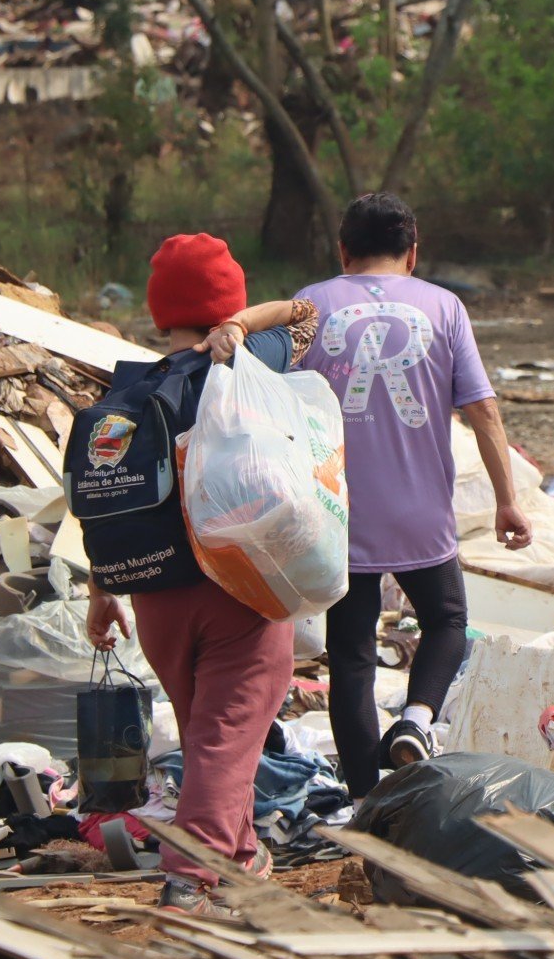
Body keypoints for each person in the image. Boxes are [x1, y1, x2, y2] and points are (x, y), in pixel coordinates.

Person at [216, 193, 529, 798]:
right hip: (420, 512)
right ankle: (416, 719)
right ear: (413, 253)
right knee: (447, 622)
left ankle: (364, 802)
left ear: (342, 251)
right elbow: (483, 410)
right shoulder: (444, 306)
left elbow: (266, 401)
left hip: (336, 515)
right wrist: (506, 500)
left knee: (352, 658)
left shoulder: (311, 303)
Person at [83, 233, 317, 915]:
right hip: (239, 588)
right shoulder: (244, 360)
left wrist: (103, 595)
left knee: (215, 739)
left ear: (160, 311)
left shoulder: (130, 392)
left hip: (155, 598)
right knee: (224, 738)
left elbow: (107, 500)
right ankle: (188, 876)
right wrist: (244, 325)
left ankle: (241, 855)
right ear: (228, 302)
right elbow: (307, 316)